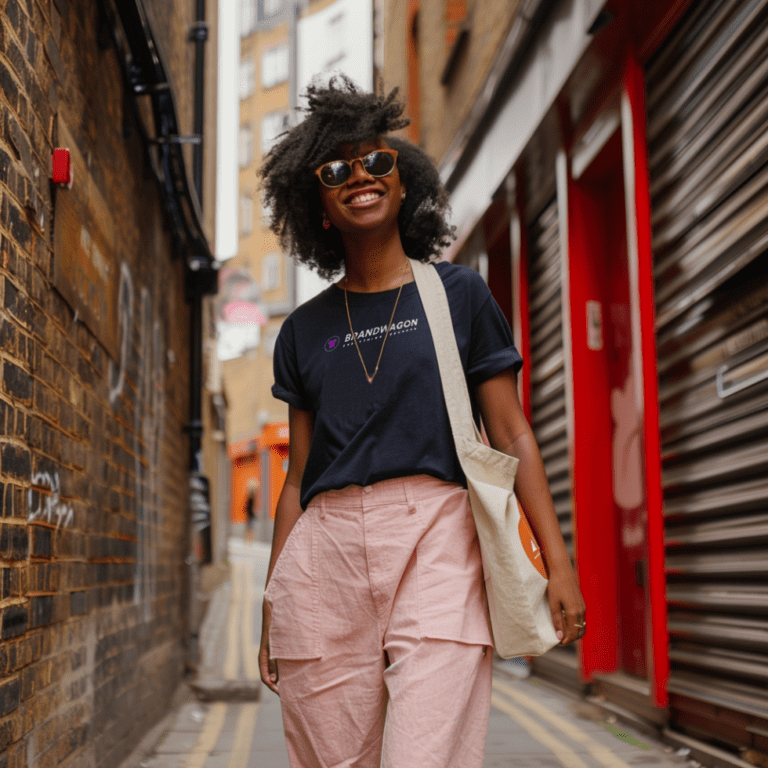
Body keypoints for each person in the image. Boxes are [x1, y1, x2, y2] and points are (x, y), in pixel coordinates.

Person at [258, 76, 585, 768]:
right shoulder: (303, 331)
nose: (360, 177)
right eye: (336, 170)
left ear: (403, 184)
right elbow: (297, 478)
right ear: (317, 205)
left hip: (438, 539)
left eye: (377, 161)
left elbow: (513, 432)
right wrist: (272, 604)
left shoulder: (458, 294)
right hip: (326, 555)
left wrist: (558, 563)